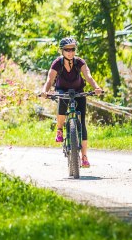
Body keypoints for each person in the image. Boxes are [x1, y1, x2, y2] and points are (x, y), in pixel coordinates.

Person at [40, 37, 104, 168]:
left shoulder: (79, 62)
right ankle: (59, 129)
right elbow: (49, 80)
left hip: (78, 91)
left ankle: (84, 157)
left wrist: (96, 88)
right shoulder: (57, 63)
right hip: (62, 90)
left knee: (82, 122)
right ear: (62, 51)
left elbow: (88, 76)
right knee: (62, 102)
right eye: (67, 50)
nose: (70, 52)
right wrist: (44, 91)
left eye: (72, 49)